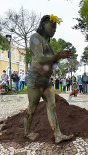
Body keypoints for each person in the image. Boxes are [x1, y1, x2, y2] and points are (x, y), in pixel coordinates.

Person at [24, 14, 73, 143]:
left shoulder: (49, 45)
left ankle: (58, 135)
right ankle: (27, 132)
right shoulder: (35, 38)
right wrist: (58, 56)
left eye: (55, 28)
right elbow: (40, 58)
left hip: (46, 81)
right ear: (44, 24)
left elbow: (52, 62)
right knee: (32, 108)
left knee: (52, 107)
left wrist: (58, 58)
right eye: (52, 26)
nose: (54, 30)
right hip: (35, 79)